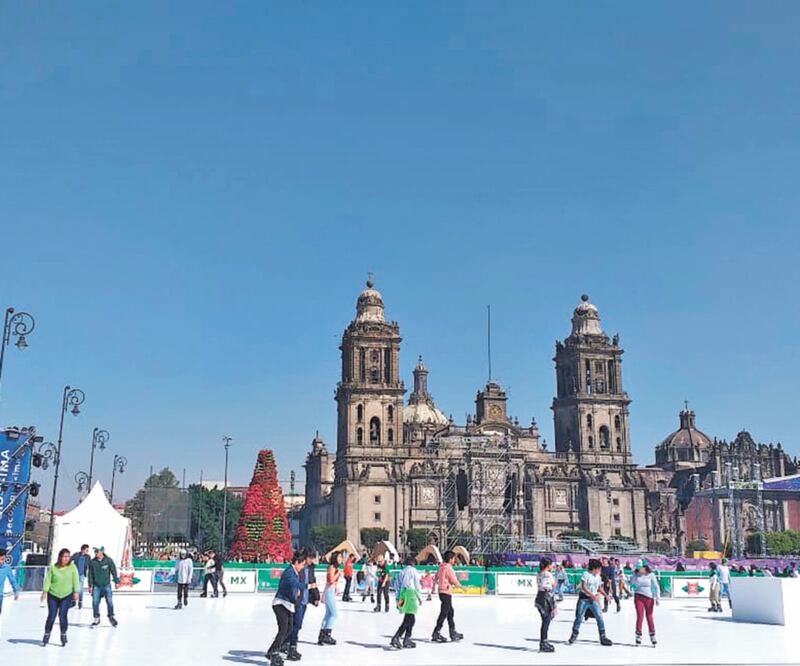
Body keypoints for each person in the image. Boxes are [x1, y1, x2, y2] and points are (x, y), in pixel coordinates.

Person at [266, 551, 305, 666]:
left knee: (289, 628)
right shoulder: (289, 572)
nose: (302, 567)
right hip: (280, 604)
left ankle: (272, 651)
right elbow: (294, 584)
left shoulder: (294, 572)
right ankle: (274, 653)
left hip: (287, 604)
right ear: (297, 563)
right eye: (302, 564)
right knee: (284, 629)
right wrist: (306, 586)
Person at [282, 549, 318, 661]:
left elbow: (313, 582)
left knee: (298, 625)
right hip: (297, 600)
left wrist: (316, 596)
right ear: (306, 558)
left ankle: (287, 644)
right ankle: (291, 646)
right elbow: (295, 582)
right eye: (311, 558)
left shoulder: (311, 569)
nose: (312, 560)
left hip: (305, 600)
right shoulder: (299, 568)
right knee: (295, 625)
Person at [568, 558, 612, 646]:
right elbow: (583, 587)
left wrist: (606, 595)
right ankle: (574, 634)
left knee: (599, 617)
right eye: (598, 568)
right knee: (579, 617)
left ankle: (603, 636)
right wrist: (591, 595)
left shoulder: (598, 576)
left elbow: (599, 588)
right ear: (594, 568)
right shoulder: (586, 574)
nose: (600, 570)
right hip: (584, 599)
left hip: (593, 599)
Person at [42, 548, 79, 646]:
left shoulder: (72, 567)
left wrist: (76, 592)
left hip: (66, 595)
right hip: (53, 595)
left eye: (68, 556)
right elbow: (48, 580)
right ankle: (47, 633)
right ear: (60, 557)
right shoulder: (53, 568)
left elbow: (76, 580)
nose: (67, 558)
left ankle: (63, 633)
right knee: (52, 615)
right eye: (65, 556)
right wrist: (45, 591)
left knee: (63, 615)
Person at [431, 550, 463, 643]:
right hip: (446, 591)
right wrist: (461, 586)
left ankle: (452, 632)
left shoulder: (441, 567)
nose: (454, 561)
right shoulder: (448, 568)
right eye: (453, 559)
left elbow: (436, 577)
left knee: (450, 612)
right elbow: (453, 579)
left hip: (442, 591)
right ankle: (436, 632)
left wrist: (434, 587)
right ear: (450, 559)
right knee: (444, 613)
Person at [391, 556, 422, 649]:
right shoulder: (413, 571)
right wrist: (419, 597)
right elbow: (417, 584)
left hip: (403, 594)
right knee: (410, 619)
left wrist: (398, 598)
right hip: (411, 594)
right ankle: (398, 637)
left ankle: (406, 638)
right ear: (413, 563)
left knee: (409, 618)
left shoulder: (401, 572)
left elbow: (397, 585)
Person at [87, 546, 119, 627]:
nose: (96, 553)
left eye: (97, 551)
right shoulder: (92, 562)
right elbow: (90, 574)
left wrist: (116, 581)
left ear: (101, 552)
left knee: (109, 602)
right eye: (95, 552)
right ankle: (96, 618)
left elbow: (113, 571)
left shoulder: (108, 560)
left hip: (106, 585)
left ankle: (111, 616)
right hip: (96, 586)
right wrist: (90, 585)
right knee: (95, 602)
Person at [631, 560, 660, 646]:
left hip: (649, 598)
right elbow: (632, 583)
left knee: (649, 616)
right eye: (637, 568)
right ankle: (638, 635)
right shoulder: (635, 574)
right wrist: (630, 581)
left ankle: (652, 635)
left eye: (640, 568)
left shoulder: (650, 575)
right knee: (640, 616)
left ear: (645, 567)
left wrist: (657, 598)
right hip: (638, 596)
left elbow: (656, 586)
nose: (638, 569)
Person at [318, 551, 342, 645]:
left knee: (328, 614)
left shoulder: (335, 568)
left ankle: (322, 635)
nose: (340, 559)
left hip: (330, 591)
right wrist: (338, 573)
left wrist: (336, 588)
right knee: (333, 614)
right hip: (329, 592)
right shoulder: (332, 567)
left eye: (341, 557)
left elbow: (332, 582)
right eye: (339, 557)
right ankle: (327, 635)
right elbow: (330, 580)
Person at [535, 557, 557, 653]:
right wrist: (554, 606)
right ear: (548, 566)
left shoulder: (539, 573)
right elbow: (552, 585)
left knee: (545, 620)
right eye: (551, 564)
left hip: (539, 597)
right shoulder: (548, 574)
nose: (552, 566)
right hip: (545, 597)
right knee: (546, 620)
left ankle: (544, 641)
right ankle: (543, 642)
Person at [0, 548, 20, 621]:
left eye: (2, 559)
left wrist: (16, 590)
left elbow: (12, 580)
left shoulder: (6, 568)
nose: (1, 561)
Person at [69, 544, 91, 609]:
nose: (87, 551)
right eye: (86, 550)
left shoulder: (88, 557)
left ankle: (80, 601)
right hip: (75, 574)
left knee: (80, 588)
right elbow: (69, 560)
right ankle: (73, 601)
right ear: (82, 549)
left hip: (82, 575)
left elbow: (90, 565)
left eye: (88, 550)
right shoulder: (76, 554)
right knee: (73, 588)